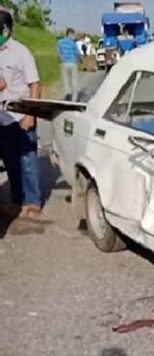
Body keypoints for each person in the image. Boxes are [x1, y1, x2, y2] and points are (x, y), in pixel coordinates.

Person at [0, 9, 42, 217]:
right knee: (10, 162)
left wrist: (30, 114)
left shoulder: (21, 52)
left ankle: (33, 201)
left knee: (28, 161)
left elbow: (35, 84)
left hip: (20, 115)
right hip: (2, 118)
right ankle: (17, 201)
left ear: (6, 30)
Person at [57, 28, 80, 101]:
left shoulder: (60, 42)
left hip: (64, 63)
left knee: (66, 80)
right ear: (70, 34)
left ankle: (67, 95)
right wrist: (80, 60)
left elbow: (58, 51)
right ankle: (74, 98)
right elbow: (77, 53)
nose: (74, 37)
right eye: (73, 35)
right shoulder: (73, 43)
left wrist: (61, 58)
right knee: (74, 81)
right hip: (73, 63)